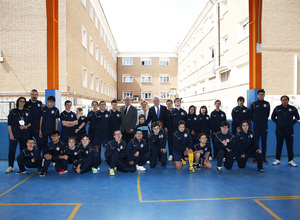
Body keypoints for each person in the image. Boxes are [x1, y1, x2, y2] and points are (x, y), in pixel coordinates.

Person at [271, 95, 299, 167]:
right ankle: (277, 159)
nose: (284, 101)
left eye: (286, 100)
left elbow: (297, 117)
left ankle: (291, 160)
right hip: (279, 130)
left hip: (289, 130)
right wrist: (278, 123)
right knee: (279, 145)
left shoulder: (292, 108)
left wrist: (291, 123)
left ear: (288, 100)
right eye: (283, 100)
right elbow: (273, 117)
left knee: (290, 145)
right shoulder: (277, 108)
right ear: (281, 101)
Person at [6, 97, 32, 174]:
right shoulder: (13, 111)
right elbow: (9, 123)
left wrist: (26, 126)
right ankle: (10, 166)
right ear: (18, 102)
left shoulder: (27, 111)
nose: (22, 103)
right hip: (14, 133)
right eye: (20, 101)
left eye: (23, 102)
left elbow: (30, 123)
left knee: (23, 150)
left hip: (24, 133)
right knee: (12, 150)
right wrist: (10, 133)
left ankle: (22, 167)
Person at [250, 89, 270, 164]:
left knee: (264, 142)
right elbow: (251, 115)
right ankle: (255, 157)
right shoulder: (254, 104)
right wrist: (256, 121)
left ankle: (264, 158)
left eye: (262, 94)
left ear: (264, 95)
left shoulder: (267, 104)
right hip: (256, 126)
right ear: (257, 95)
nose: (261, 96)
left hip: (264, 126)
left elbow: (267, 114)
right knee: (256, 142)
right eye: (260, 94)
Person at [94, 101, 110, 165]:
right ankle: (98, 159)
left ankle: (107, 159)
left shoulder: (109, 114)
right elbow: (94, 124)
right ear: (99, 106)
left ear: (105, 105)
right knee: (97, 147)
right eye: (101, 105)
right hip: (97, 134)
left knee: (105, 148)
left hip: (106, 134)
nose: (102, 106)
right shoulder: (96, 114)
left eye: (103, 105)